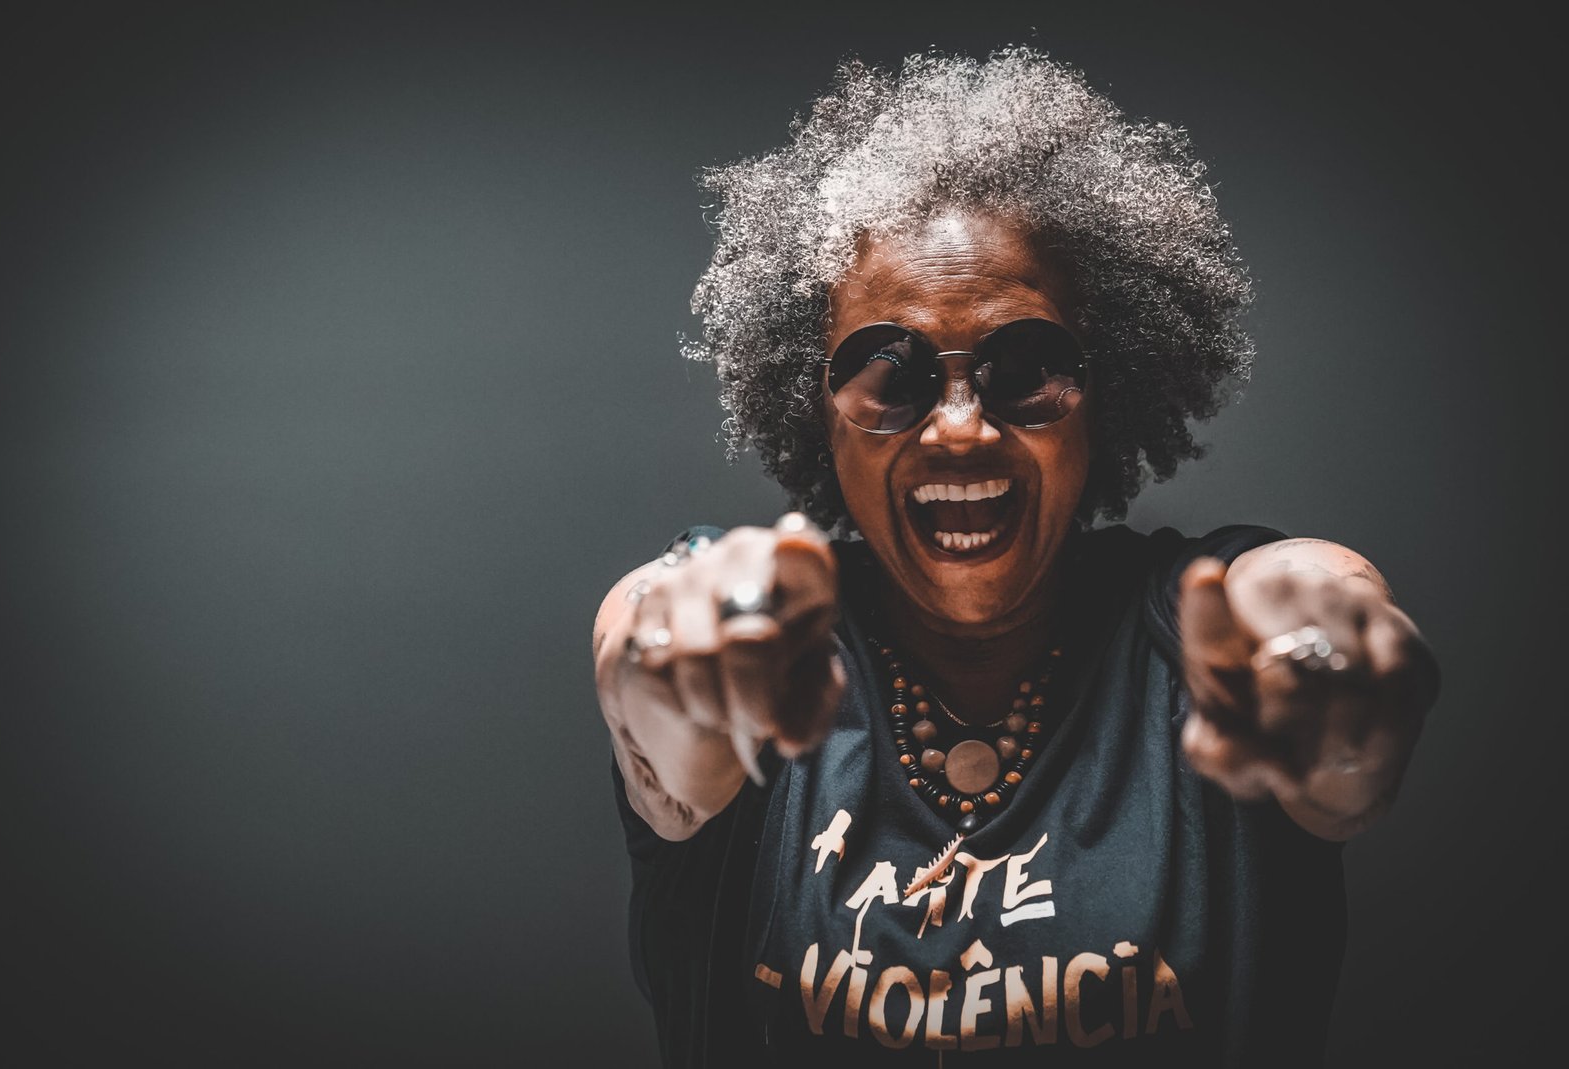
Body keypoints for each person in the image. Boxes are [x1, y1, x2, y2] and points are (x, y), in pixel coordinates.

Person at [592, 47, 1437, 1067]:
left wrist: (1331, 667)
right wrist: (672, 666)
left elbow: (1307, 601)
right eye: (888, 373)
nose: (960, 428)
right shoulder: (756, 646)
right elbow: (655, 676)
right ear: (818, 412)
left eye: (1026, 366)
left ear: (1107, 393)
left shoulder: (1205, 629)